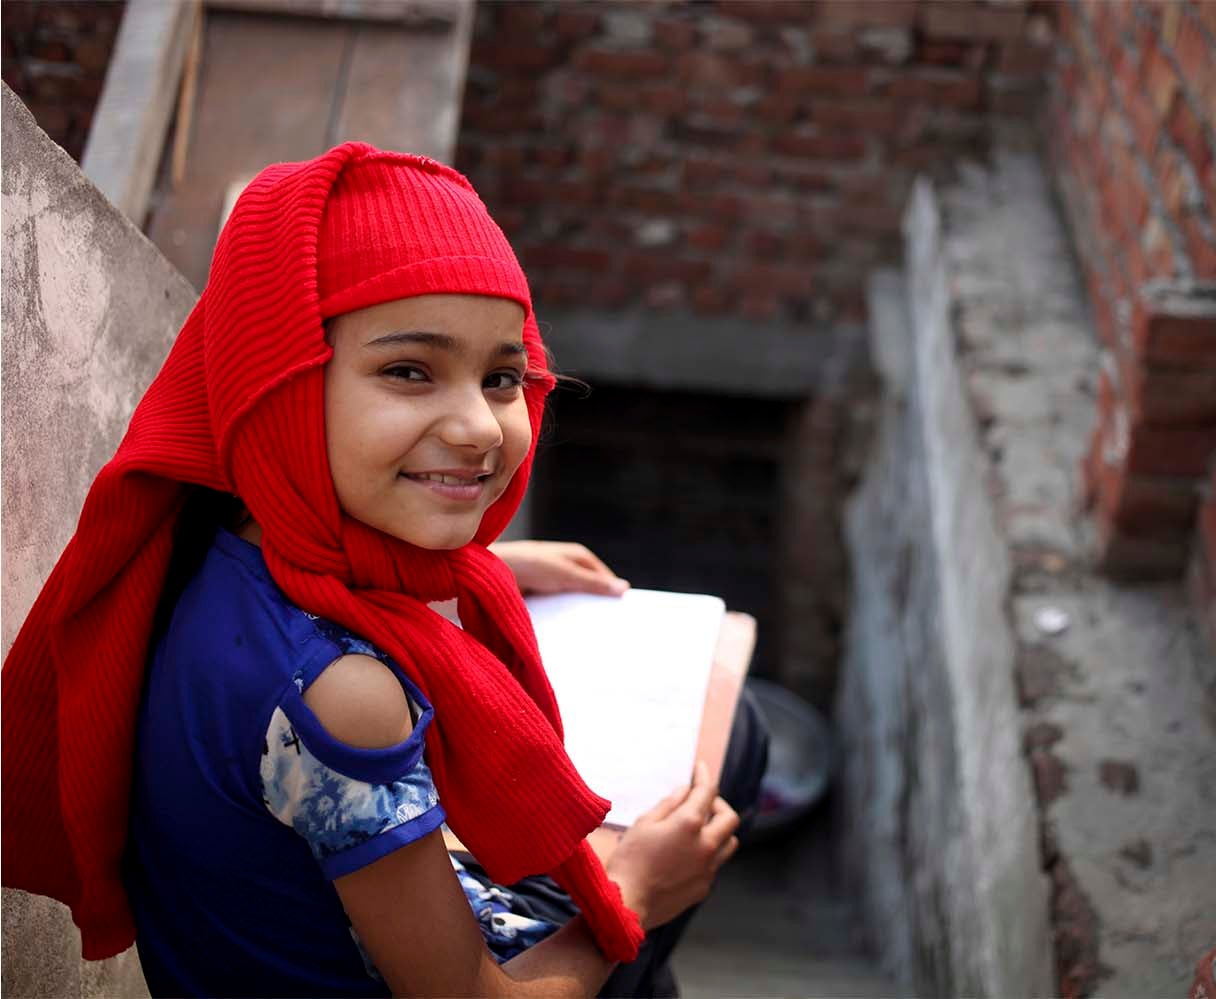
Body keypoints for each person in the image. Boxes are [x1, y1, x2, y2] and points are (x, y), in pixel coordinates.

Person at [1, 142, 767, 997]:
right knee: (728, 749)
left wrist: (494, 568)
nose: (479, 426)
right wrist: (635, 893)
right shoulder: (343, 697)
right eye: (410, 370)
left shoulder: (198, 536)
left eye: (504, 376)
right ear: (279, 385)